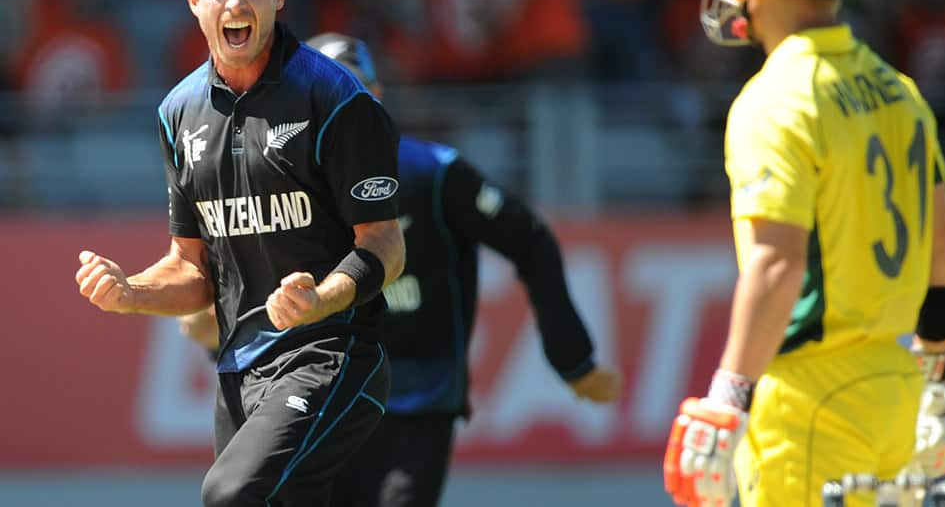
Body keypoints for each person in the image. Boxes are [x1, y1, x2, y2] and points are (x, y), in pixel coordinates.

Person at [181, 31, 623, 507]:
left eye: (348, 91)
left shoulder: (432, 174)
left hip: (419, 397)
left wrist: (572, 357)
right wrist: (211, 328)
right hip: (323, 393)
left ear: (375, 96)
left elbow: (530, 240)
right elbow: (233, 288)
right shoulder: (271, 184)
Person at [661, 0, 945, 507]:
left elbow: (776, 267)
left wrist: (727, 398)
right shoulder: (899, 89)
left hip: (807, 405)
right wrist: (934, 373)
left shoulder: (774, 100)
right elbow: (944, 247)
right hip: (893, 392)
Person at [74, 0, 405, 507]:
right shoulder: (178, 111)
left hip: (333, 353)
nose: (236, 1)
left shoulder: (335, 99)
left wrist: (321, 299)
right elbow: (193, 271)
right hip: (239, 369)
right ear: (194, 0)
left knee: (231, 495)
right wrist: (130, 291)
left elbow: (385, 244)